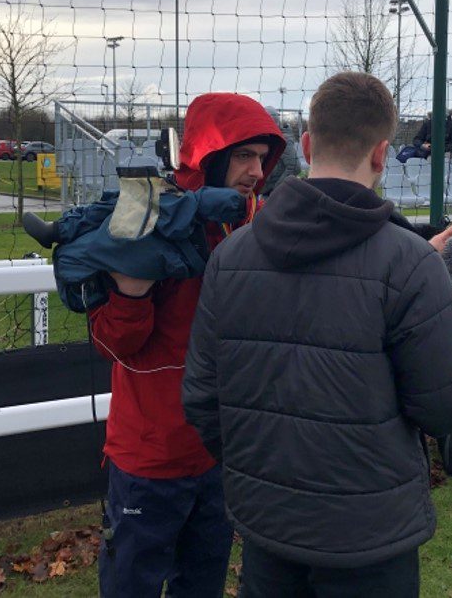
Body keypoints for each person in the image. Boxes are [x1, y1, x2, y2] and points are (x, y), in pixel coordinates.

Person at [183, 72, 452, 598]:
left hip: (267, 528)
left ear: (304, 145)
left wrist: (262, 474)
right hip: (370, 535)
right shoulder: (412, 263)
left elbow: (204, 402)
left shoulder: (229, 257)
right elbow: (448, 407)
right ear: (383, 154)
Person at [89, 93, 284, 598]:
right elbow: (112, 344)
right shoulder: (149, 220)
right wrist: (131, 292)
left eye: (263, 158)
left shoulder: (252, 228)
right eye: (244, 155)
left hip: (220, 455)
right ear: (210, 154)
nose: (256, 171)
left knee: (202, 586)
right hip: (149, 459)